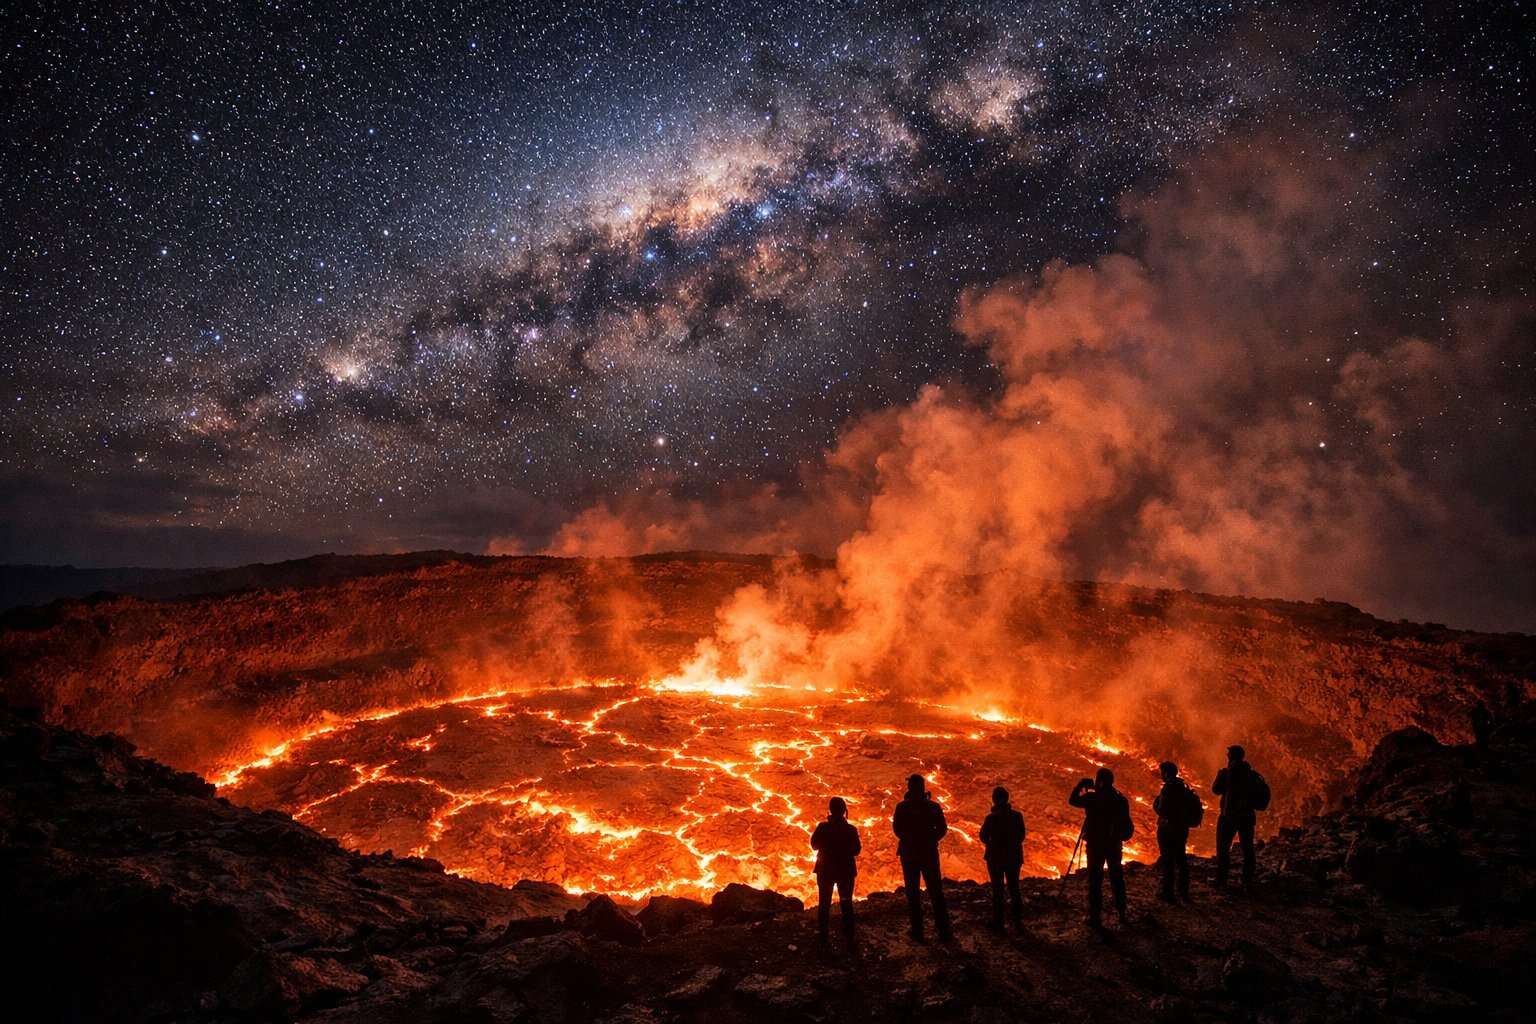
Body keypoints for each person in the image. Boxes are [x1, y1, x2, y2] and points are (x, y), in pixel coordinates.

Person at [1068, 767, 1132, 928]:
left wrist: (1080, 786)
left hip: (1096, 845)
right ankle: (1122, 912)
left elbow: (1073, 800)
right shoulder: (1120, 799)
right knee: (1117, 878)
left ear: (1101, 781)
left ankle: (1095, 916)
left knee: (1095, 881)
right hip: (1114, 844)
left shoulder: (1092, 798)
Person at [892, 773, 952, 942]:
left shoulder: (902, 807)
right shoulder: (933, 807)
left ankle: (917, 931)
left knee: (913, 893)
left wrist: (910, 840)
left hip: (909, 855)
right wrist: (930, 840)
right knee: (935, 891)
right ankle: (943, 930)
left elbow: (897, 829)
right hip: (929, 854)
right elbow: (941, 829)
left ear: (910, 788)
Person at [809, 796, 861, 954]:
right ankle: (850, 938)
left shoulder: (823, 828)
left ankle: (823, 935)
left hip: (826, 870)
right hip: (845, 871)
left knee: (824, 903)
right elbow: (856, 850)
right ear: (845, 811)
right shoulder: (851, 830)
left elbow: (814, 845)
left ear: (830, 810)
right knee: (846, 902)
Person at [1212, 744, 1262, 891]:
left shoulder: (1228, 773)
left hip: (1228, 817)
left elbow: (1216, 790)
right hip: (1247, 817)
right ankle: (1247, 882)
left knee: (1223, 849)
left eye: (1228, 755)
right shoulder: (1252, 775)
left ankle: (1221, 881)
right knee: (1248, 849)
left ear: (1231, 757)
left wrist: (1220, 774)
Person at [979, 785, 1027, 931]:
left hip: (995, 858)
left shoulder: (991, 818)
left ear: (994, 800)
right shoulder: (1017, 816)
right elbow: (1021, 836)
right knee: (1014, 889)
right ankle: (1018, 923)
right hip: (1013, 857)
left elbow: (983, 837)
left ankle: (999, 923)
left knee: (997, 891)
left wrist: (994, 844)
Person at [1152, 761, 1199, 901]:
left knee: (1168, 861)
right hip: (1182, 829)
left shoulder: (1168, 789)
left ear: (1166, 773)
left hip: (1168, 829)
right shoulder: (1183, 788)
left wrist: (1155, 804)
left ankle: (1168, 893)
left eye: (1162, 772)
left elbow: (1162, 809)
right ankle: (1184, 892)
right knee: (1181, 858)